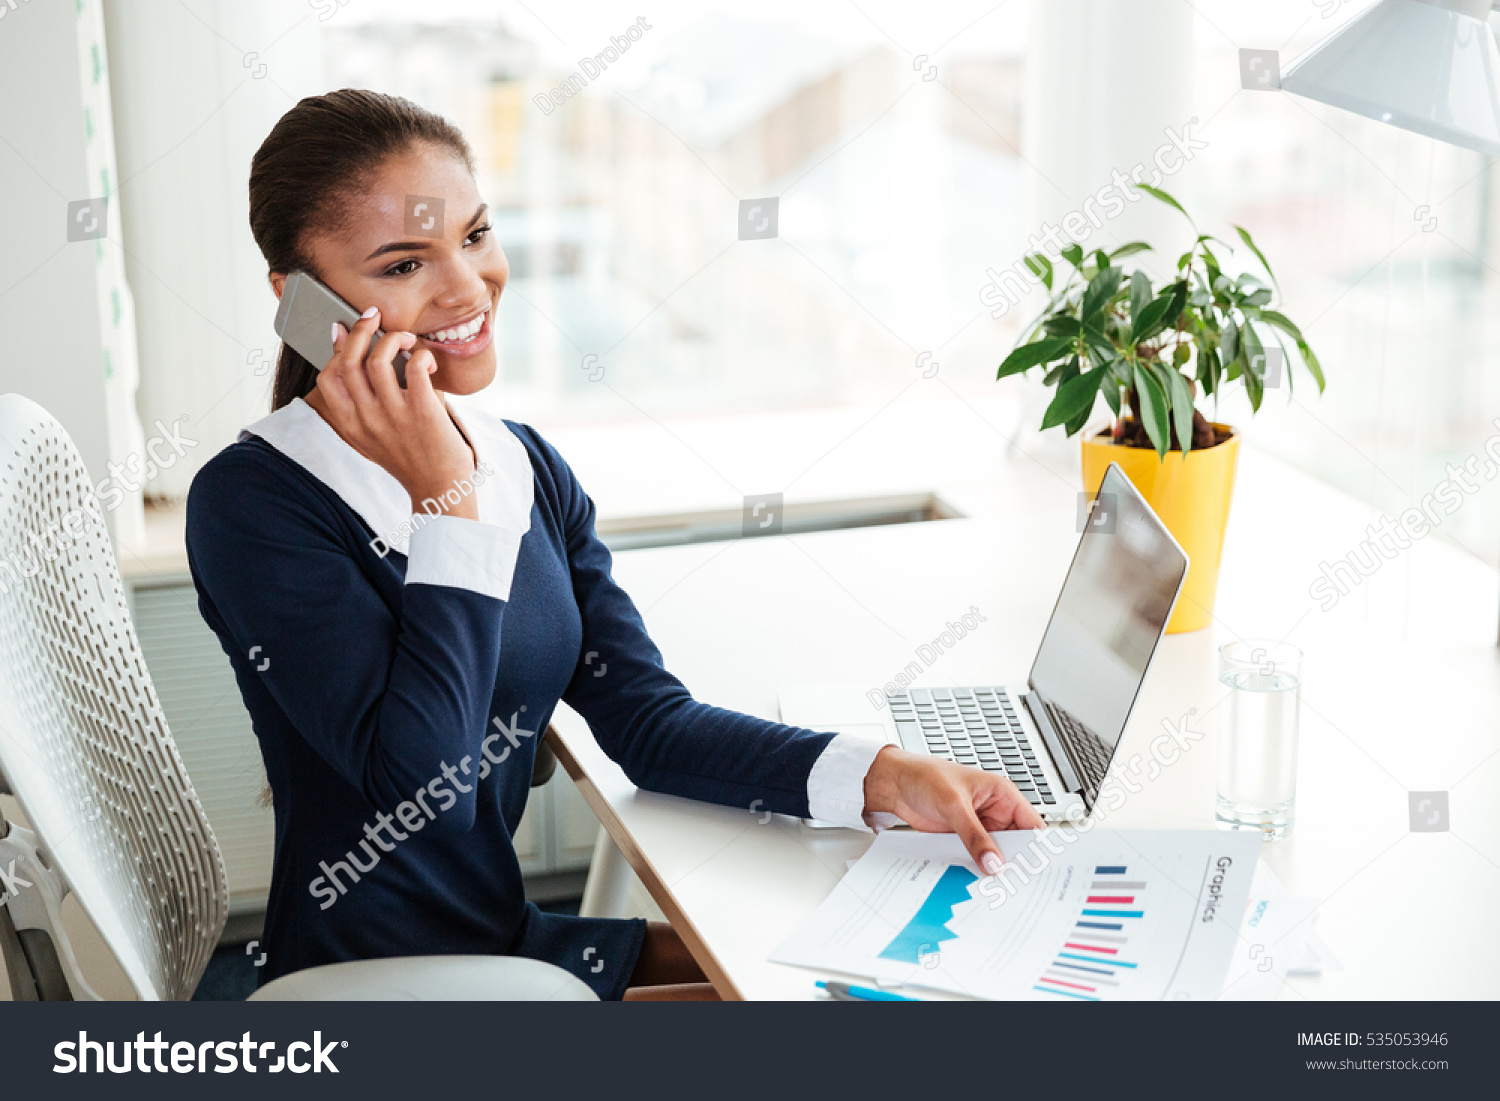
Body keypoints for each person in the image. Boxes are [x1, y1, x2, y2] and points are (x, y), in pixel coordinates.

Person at [186, 88, 1044, 1001]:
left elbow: (649, 723)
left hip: (509, 947)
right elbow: (419, 797)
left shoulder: (524, 466)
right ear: (300, 301)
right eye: (404, 264)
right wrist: (447, 503)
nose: (468, 288)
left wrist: (880, 773)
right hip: (388, 984)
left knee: (860, 982)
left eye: (474, 236)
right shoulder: (256, 505)